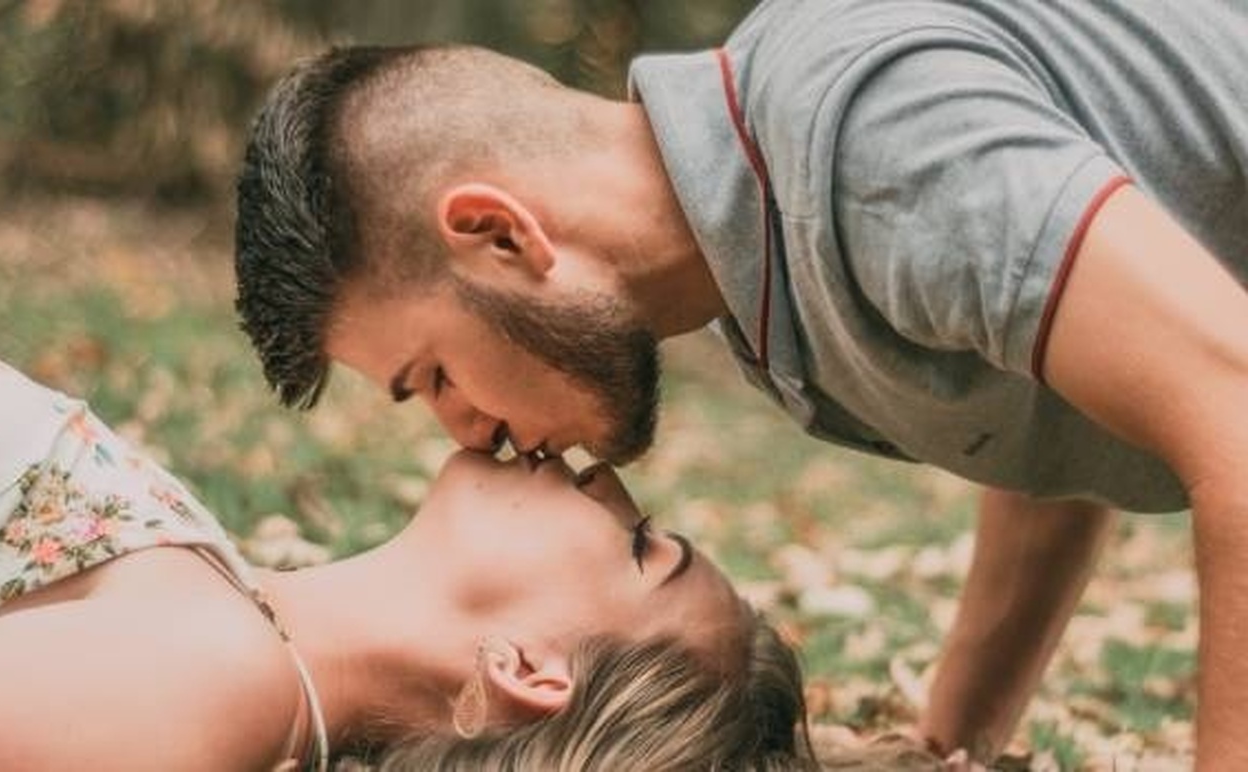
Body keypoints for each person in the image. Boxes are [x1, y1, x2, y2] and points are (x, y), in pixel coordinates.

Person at [232, 0, 1248, 766]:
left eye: (435, 376)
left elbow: (1234, 413)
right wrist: (951, 745)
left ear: (500, 234)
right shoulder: (763, 259)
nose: (467, 432)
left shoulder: (866, 142)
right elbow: (1065, 399)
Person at [0, 355, 814, 771]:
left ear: (529, 667)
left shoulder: (223, 681)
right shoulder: (232, 641)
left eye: (639, 547)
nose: (604, 478)